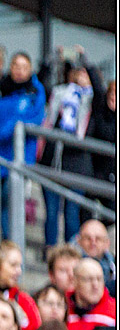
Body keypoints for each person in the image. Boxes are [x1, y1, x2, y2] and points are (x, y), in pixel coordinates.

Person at [0, 52, 46, 238]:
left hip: (18, 156)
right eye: (16, 65)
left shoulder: (35, 92)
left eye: (24, 67)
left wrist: (10, 129)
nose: (20, 70)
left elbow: (35, 118)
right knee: (1, 196)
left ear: (30, 70)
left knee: (6, 197)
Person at [39, 55, 103, 246]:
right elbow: (42, 85)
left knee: (72, 213)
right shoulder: (59, 94)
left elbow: (100, 92)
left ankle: (71, 252)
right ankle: (50, 250)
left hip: (77, 165)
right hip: (52, 162)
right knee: (50, 212)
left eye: (84, 73)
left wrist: (87, 62)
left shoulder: (91, 100)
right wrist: (52, 59)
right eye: (78, 72)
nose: (80, 76)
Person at [67, 258, 116, 330]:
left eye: (99, 279)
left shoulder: (114, 312)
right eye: (88, 279)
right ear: (74, 281)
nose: (95, 285)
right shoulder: (62, 308)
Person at [75, 219, 116, 298]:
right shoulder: (72, 265)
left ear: (107, 243)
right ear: (79, 241)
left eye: (98, 238)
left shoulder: (114, 266)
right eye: (88, 238)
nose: (93, 243)